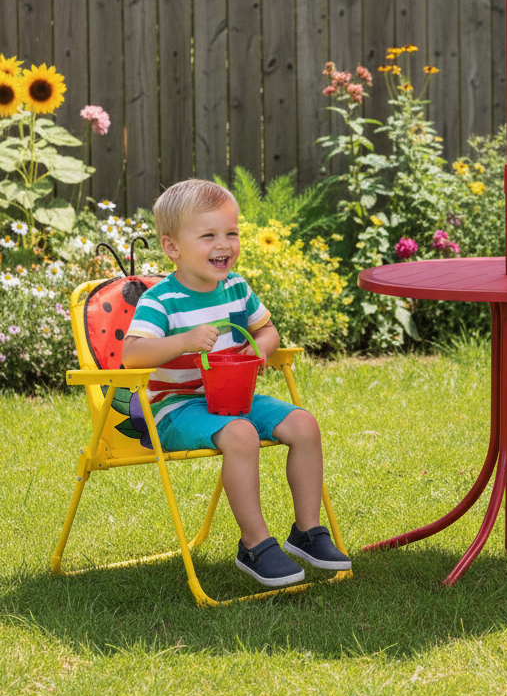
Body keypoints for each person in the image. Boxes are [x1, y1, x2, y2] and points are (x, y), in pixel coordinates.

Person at [121, 179, 350, 588]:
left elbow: (268, 332)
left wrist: (260, 349)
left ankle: (308, 533)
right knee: (241, 435)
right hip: (176, 408)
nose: (223, 244)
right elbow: (133, 355)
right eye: (208, 235)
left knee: (304, 425)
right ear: (172, 247)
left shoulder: (237, 288)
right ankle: (255, 544)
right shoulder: (161, 301)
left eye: (231, 233)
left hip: (233, 397)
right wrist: (184, 341)